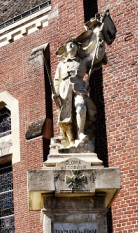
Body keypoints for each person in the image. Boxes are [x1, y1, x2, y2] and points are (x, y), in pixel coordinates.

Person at [52, 11, 115, 151]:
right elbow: (57, 80)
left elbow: (97, 57)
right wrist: (55, 93)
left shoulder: (82, 61)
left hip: (79, 89)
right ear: (66, 50)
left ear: (78, 48)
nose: (72, 46)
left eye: (74, 44)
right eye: (70, 45)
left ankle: (80, 133)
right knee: (66, 117)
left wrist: (99, 39)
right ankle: (68, 139)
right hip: (64, 91)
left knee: (81, 107)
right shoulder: (61, 65)